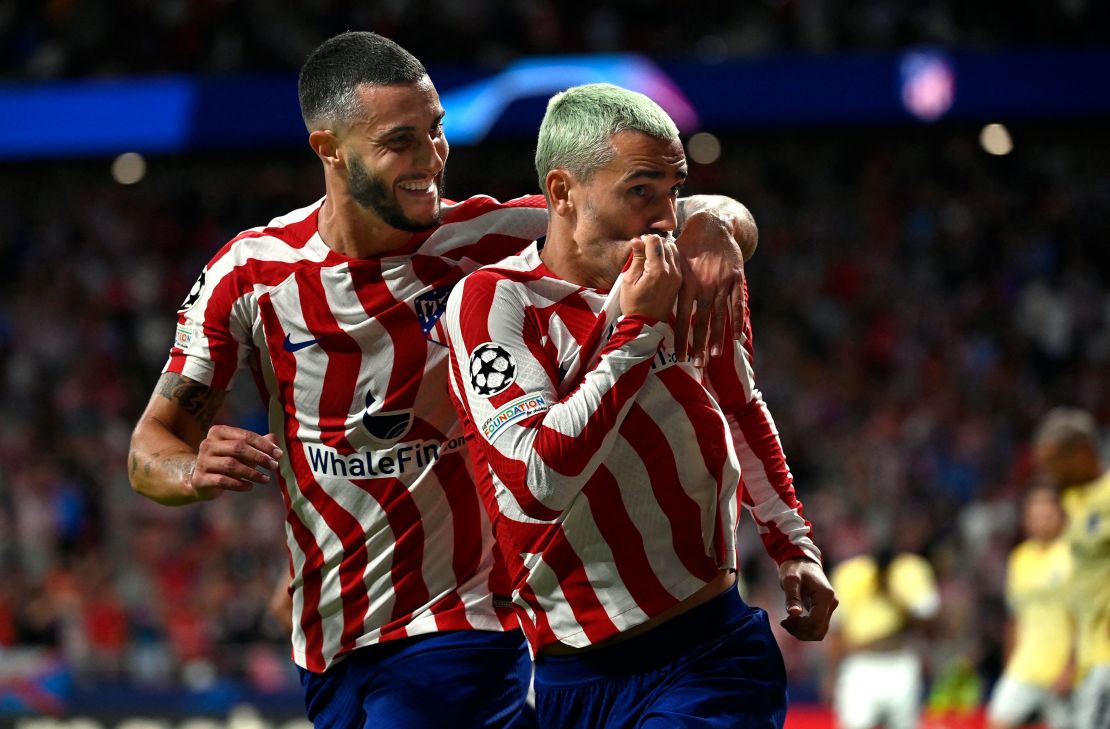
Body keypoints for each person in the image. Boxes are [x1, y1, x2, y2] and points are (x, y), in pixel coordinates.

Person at [127, 31, 760, 728]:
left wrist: (719, 227)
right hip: (330, 636)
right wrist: (188, 470)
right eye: (401, 141)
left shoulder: (494, 239)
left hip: (465, 623)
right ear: (328, 149)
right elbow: (150, 447)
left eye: (436, 132)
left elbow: (662, 207)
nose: (431, 159)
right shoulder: (251, 273)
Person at [444, 82, 835, 728]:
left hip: (708, 654)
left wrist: (794, 546)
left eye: (675, 191)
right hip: (571, 676)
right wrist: (636, 332)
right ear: (563, 191)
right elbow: (536, 483)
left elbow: (737, 404)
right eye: (641, 191)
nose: (664, 217)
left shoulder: (688, 274)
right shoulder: (496, 303)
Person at [1030, 407, 1110, 729]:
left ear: (1081, 454)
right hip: (1089, 657)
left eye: (1053, 462)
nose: (1048, 473)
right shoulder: (1075, 501)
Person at [986, 485, 1074, 729]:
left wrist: (1071, 666)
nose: (1041, 522)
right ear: (1025, 520)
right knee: (998, 721)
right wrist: (1010, 664)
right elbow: (1015, 616)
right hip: (1025, 666)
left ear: (1061, 516)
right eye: (1034, 516)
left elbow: (1085, 616)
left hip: (1063, 669)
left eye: (1047, 515)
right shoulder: (1020, 558)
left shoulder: (1074, 555)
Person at [826, 545, 940, 729]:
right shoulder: (849, 575)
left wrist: (895, 594)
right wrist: (831, 673)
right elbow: (837, 630)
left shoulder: (910, 573)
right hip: (861, 664)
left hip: (900, 662)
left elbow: (928, 624)